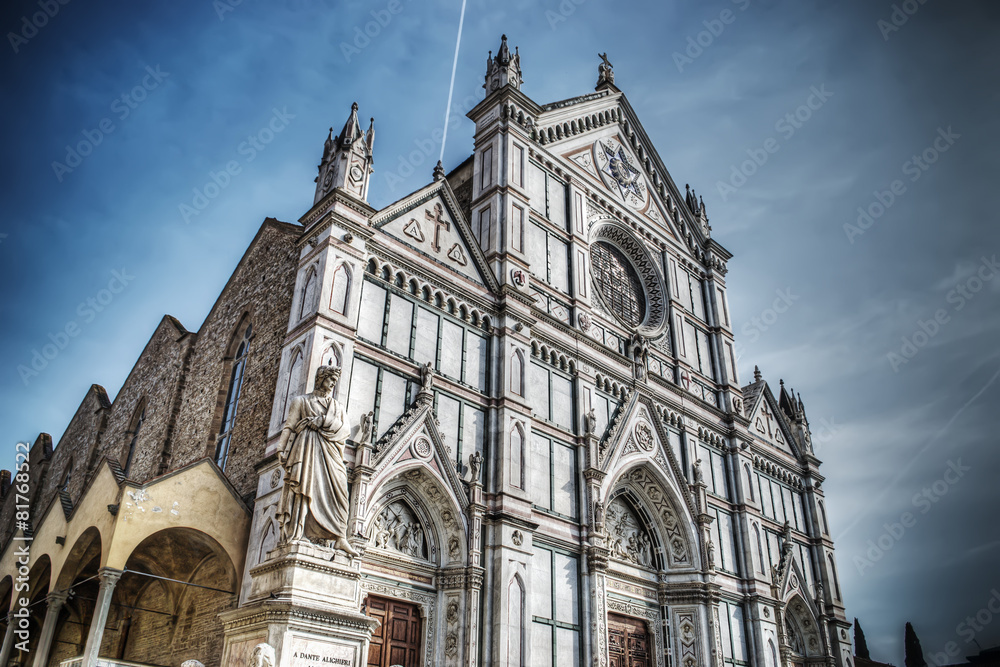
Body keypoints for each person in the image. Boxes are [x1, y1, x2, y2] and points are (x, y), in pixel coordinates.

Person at [277, 364, 358, 556]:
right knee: (304, 487)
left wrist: (323, 421)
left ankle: (340, 537)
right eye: (330, 379)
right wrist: (281, 447)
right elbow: (289, 426)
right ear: (320, 379)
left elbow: (345, 430)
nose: (332, 384)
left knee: (341, 493)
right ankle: (297, 532)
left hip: (330, 452)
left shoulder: (337, 407)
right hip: (306, 447)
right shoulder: (301, 401)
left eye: (335, 382)